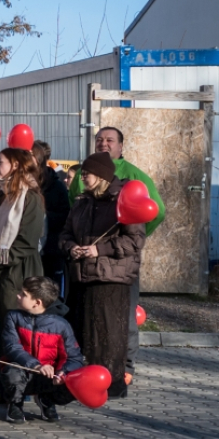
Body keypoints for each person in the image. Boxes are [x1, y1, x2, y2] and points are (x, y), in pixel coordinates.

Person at [67, 126, 164, 383]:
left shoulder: (134, 176)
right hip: (87, 264)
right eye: (99, 140)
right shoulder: (83, 175)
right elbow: (73, 211)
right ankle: (91, 370)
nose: (104, 143)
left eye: (110, 140)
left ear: (121, 146)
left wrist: (123, 244)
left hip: (117, 266)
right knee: (88, 319)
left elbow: (155, 212)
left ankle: (126, 368)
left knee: (124, 317)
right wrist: (78, 242)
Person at [60, 153, 146, 397]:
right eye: (83, 172)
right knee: (83, 332)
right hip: (82, 275)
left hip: (111, 277)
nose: (83, 176)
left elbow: (135, 240)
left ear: (102, 175)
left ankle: (114, 384)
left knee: (109, 335)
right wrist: (70, 247)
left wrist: (100, 249)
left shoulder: (123, 200)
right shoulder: (82, 202)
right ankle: (85, 383)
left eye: (88, 172)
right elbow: (65, 233)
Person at [0, 148, 45, 359]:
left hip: (19, 272)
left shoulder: (30, 197)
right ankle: (3, 381)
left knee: (14, 327)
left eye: (1, 162)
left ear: (15, 166)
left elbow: (27, 240)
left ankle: (17, 385)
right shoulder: (2, 196)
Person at [0, 277, 86, 423]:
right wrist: (36, 365)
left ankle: (46, 399)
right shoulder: (13, 317)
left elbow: (74, 357)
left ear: (37, 303)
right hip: (23, 372)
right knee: (11, 372)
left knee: (76, 382)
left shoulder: (61, 325)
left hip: (49, 378)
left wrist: (63, 373)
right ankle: (15, 404)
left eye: (23, 294)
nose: (18, 296)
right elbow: (12, 347)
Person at [33, 141, 71, 290]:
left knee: (48, 293)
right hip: (26, 252)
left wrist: (40, 216)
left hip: (50, 251)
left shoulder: (57, 185)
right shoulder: (21, 183)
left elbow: (64, 217)